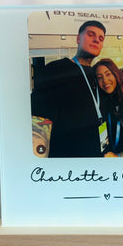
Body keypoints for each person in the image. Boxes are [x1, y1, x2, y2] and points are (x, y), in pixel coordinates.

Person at [31, 21, 107, 157]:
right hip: (67, 158)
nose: (97, 39)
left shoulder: (98, 75)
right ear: (78, 39)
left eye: (101, 38)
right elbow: (38, 121)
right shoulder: (56, 69)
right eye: (91, 35)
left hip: (98, 157)